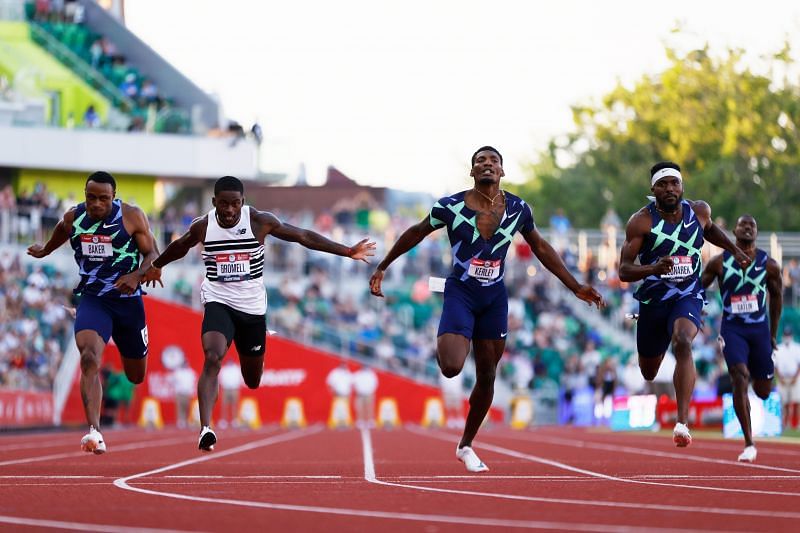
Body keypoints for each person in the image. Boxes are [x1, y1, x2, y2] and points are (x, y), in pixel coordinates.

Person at [369, 146, 604, 472]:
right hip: (461, 293)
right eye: (480, 161)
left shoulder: (519, 209)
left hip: (494, 298)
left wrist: (574, 285)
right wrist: (383, 265)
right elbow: (416, 232)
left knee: (489, 374)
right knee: (451, 366)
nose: (487, 165)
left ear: (502, 172)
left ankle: (466, 444)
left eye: (493, 161)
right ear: (472, 172)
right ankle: (448, 337)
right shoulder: (450, 207)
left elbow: (540, 247)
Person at [141, 176, 375, 451]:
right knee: (212, 356)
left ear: (243, 203)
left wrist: (346, 251)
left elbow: (302, 236)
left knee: (252, 380)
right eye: (224, 204)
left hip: (252, 308)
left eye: (235, 204)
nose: (229, 210)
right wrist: (157, 264)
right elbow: (181, 245)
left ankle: (255, 356)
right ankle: (205, 428)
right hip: (218, 300)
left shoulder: (258, 222)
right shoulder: (204, 226)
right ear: (215, 202)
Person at [27, 171, 162, 454]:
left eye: (103, 198)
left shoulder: (131, 216)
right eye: (91, 197)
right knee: (88, 358)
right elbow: (61, 233)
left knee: (136, 375)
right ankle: (94, 432)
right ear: (85, 195)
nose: (97, 204)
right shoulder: (74, 217)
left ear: (114, 196)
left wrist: (137, 276)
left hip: (128, 301)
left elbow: (153, 256)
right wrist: (45, 251)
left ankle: (137, 346)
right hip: (93, 300)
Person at [619, 161, 750, 447]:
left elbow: (711, 230)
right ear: (653, 189)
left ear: (681, 186)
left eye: (674, 183)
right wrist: (654, 268)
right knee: (649, 371)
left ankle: (682, 422)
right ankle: (654, 346)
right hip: (654, 300)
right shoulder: (641, 222)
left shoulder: (699, 211)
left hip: (688, 294)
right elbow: (624, 271)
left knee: (683, 341)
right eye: (663, 184)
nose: (669, 189)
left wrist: (734, 249)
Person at [701, 214, 783, 462]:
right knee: (738, 375)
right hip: (732, 329)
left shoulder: (769, 265)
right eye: (743, 224)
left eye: (752, 225)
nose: (748, 228)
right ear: (734, 230)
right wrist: (695, 309)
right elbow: (697, 287)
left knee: (764, 391)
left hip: (759, 330)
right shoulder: (719, 263)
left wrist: (772, 334)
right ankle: (749, 442)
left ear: (756, 233)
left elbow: (777, 298)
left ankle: (760, 385)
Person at [774, 328, 800, 430]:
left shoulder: (797, 348)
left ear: (791, 336)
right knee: (784, 402)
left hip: (795, 378)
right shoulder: (778, 348)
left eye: (788, 335)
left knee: (797, 401)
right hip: (782, 378)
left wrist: (795, 377)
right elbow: (775, 365)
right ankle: (785, 424)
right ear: (783, 336)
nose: (787, 337)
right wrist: (780, 377)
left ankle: (797, 424)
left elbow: (799, 364)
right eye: (785, 335)